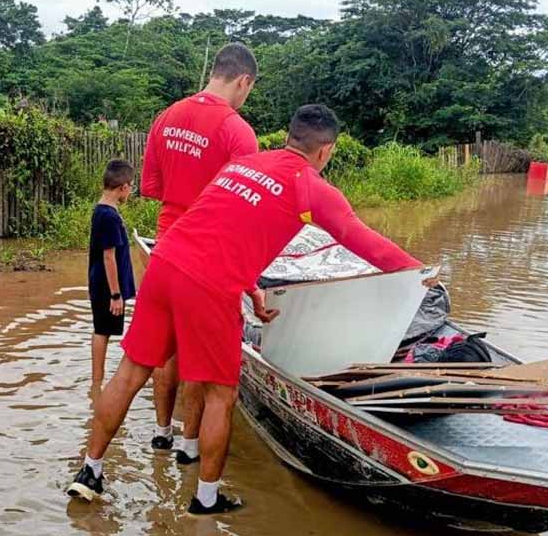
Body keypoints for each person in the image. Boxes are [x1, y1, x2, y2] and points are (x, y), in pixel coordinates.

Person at [68, 104, 431, 514]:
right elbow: (359, 238)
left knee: (130, 372)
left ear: (289, 137)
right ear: (326, 150)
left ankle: (90, 472)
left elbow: (219, 225)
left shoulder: (244, 166)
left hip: (166, 263)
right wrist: (419, 273)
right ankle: (206, 498)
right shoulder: (309, 187)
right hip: (207, 285)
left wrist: (251, 286)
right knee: (221, 395)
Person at [140, 42, 260, 462]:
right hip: (208, 253)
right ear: (243, 80)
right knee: (199, 358)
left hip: (165, 244)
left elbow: (152, 188)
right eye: (249, 90)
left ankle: (160, 434)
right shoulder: (238, 131)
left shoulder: (166, 117)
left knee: (165, 349)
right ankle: (190, 449)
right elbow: (246, 210)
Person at [88, 160, 137, 395]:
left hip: (102, 283)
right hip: (107, 286)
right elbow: (109, 257)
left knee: (102, 330)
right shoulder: (108, 216)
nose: (131, 192)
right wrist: (116, 294)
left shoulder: (104, 210)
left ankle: (96, 381)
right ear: (123, 187)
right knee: (102, 331)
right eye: (131, 187)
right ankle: (96, 384)